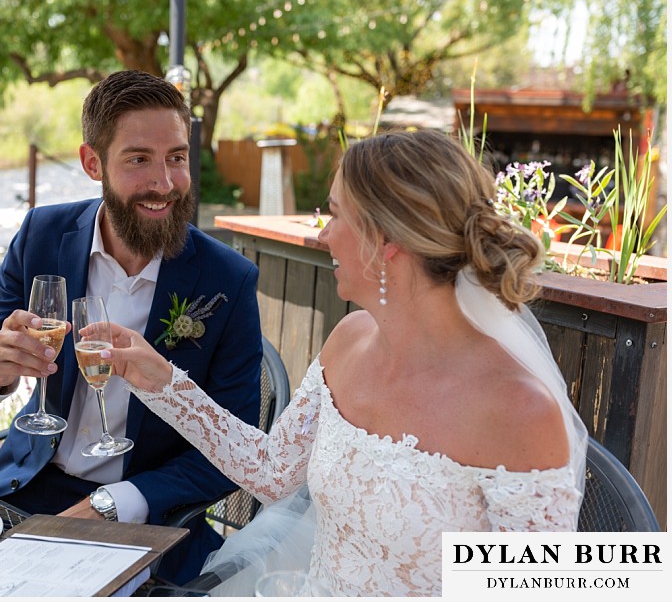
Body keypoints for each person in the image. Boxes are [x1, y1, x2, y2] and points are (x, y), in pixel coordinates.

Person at [98, 129, 589, 596]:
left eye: (334, 215)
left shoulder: (519, 410)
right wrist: (160, 381)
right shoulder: (348, 342)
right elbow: (272, 472)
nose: (322, 236)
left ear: (385, 239)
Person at [0, 70, 263, 585]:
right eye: (139, 159)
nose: (164, 183)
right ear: (93, 163)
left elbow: (238, 446)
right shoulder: (41, 235)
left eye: (176, 158)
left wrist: (115, 503)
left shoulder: (228, 281)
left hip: (147, 512)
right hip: (26, 491)